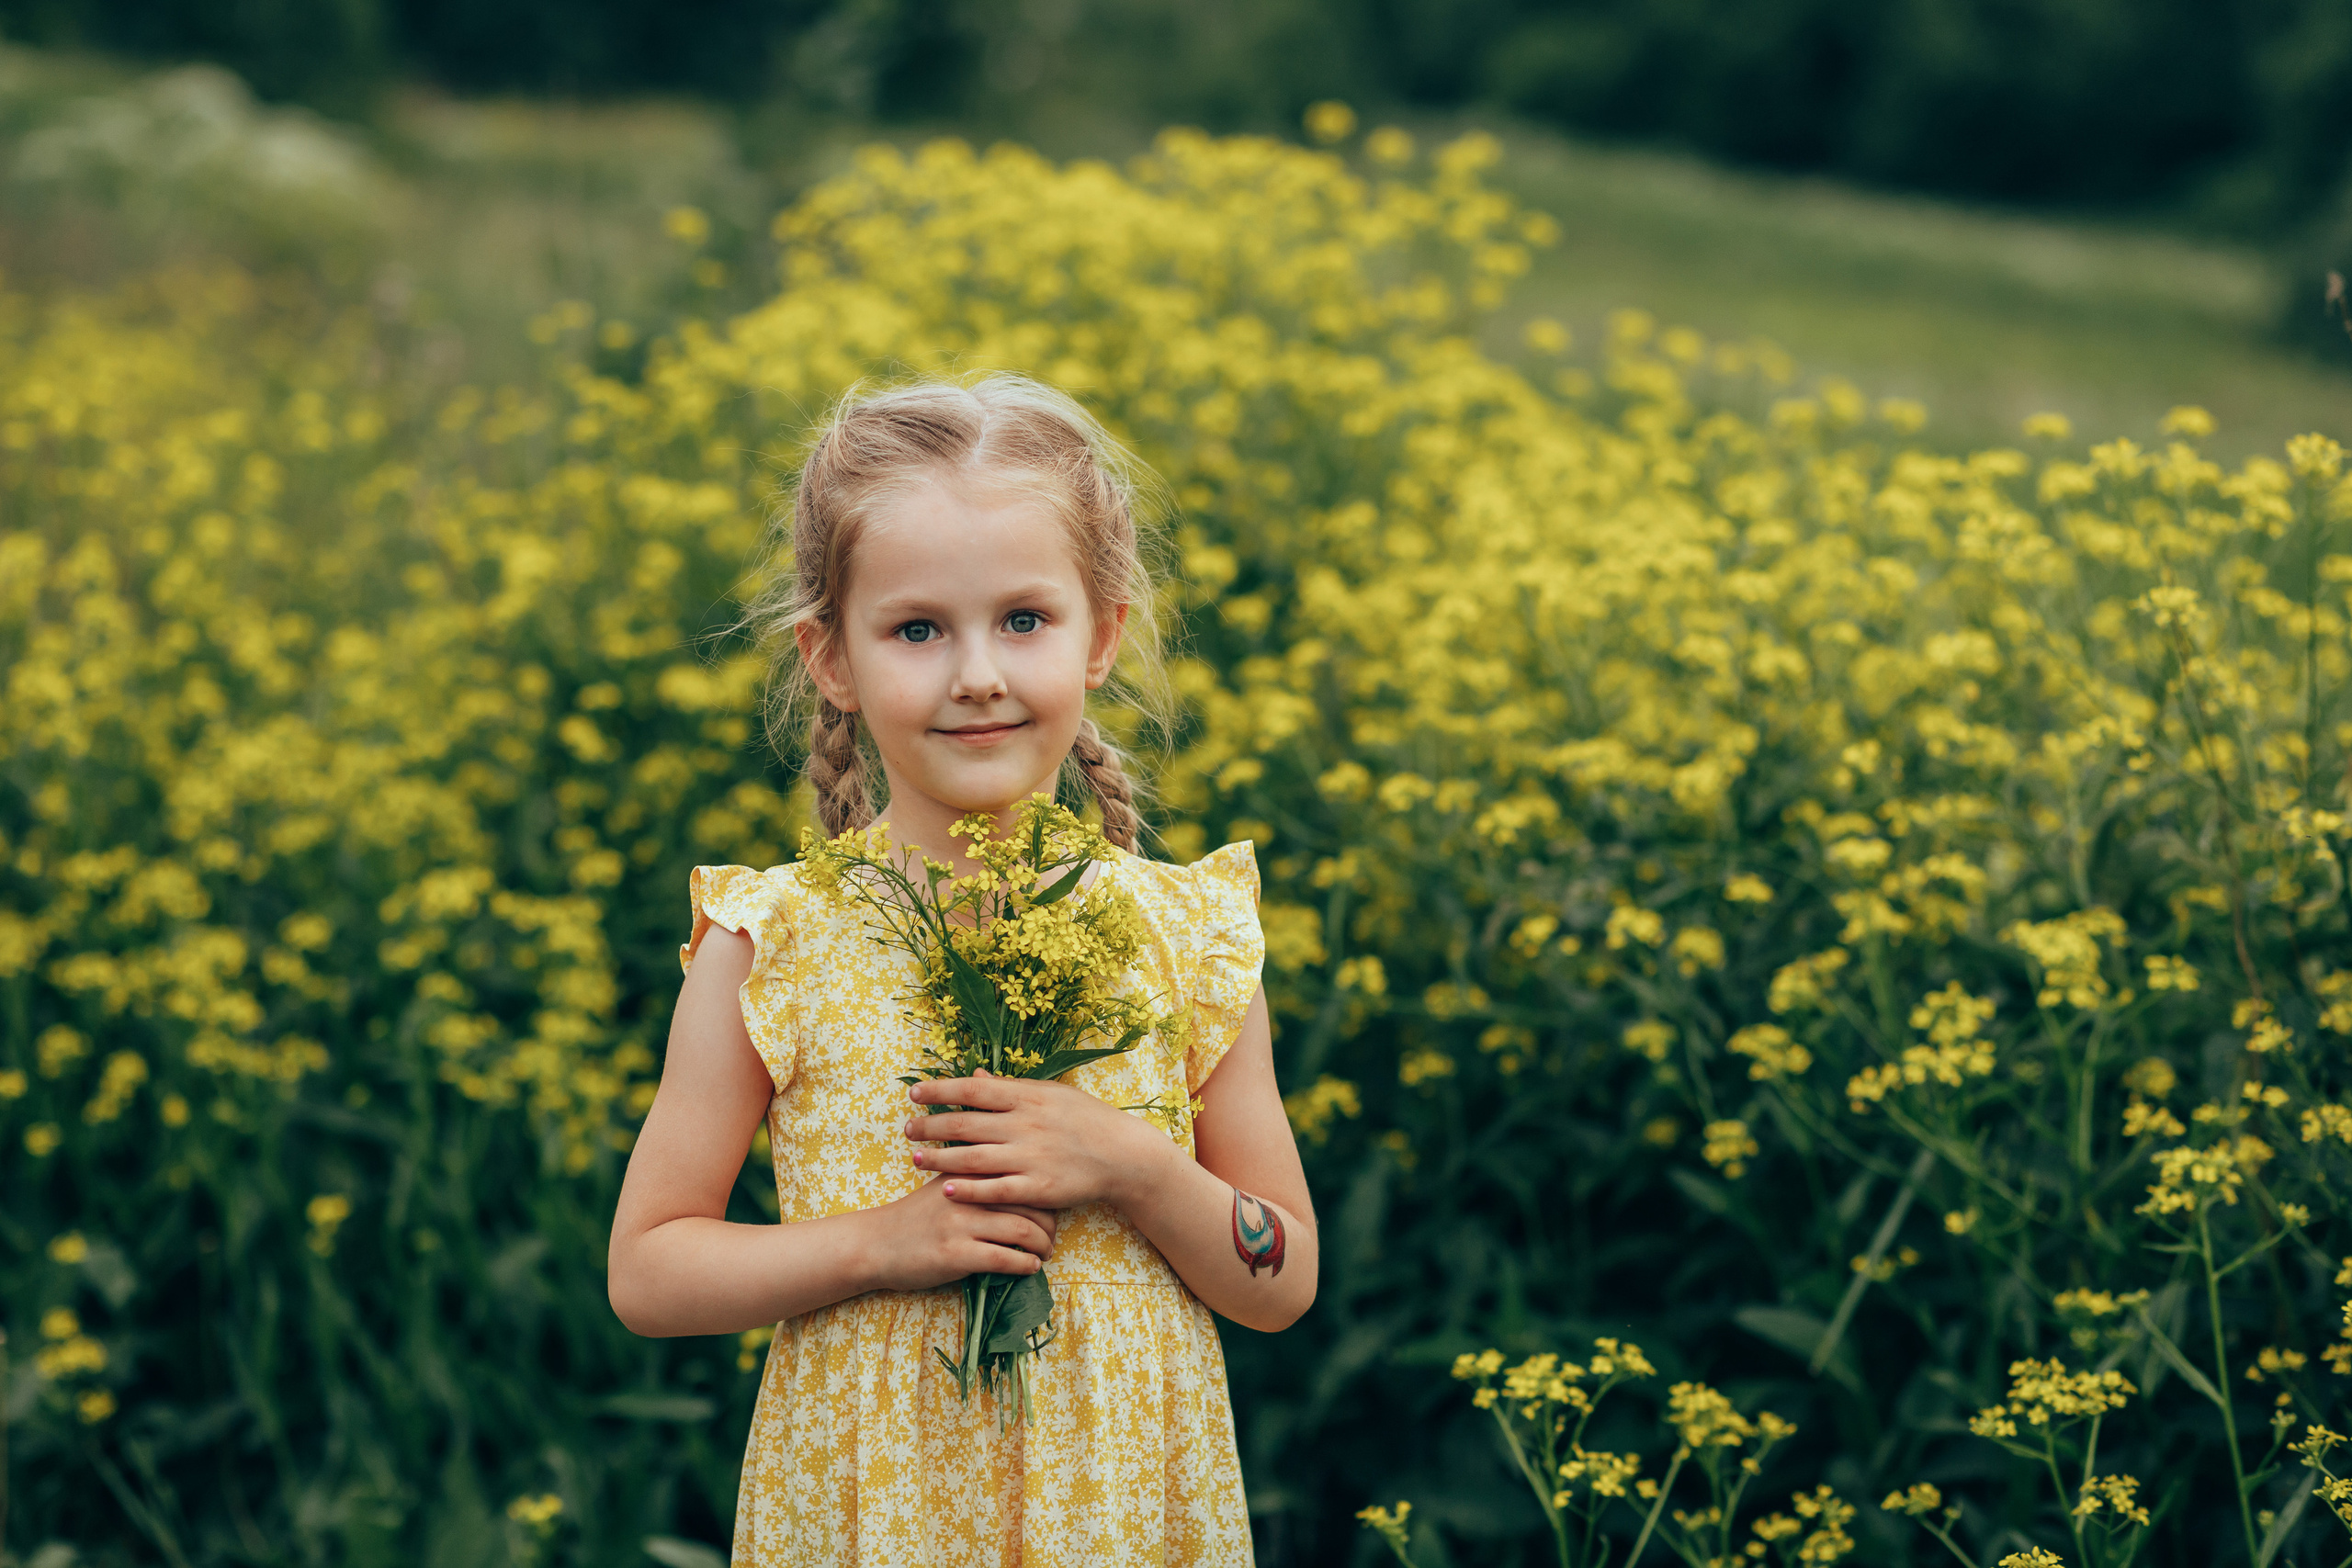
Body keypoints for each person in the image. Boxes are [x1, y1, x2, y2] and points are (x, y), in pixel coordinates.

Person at [606, 374, 1317, 1566]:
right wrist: (886, 1243)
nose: (976, 674)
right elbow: (649, 1268)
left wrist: (1134, 1167)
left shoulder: (1187, 934)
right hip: (876, 1513)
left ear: (1103, 636)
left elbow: (1280, 1276)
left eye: (1024, 622)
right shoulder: (770, 943)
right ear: (830, 658)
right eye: (918, 629)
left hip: (1119, 1513)